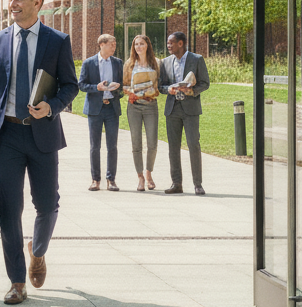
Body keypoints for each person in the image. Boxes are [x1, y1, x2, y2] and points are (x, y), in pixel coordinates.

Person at [0, 0, 78, 305]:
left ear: (37, 3)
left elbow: (70, 85)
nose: (12, 4)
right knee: (9, 210)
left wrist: (52, 106)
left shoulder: (57, 41)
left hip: (43, 133)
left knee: (47, 205)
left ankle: (38, 251)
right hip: (7, 135)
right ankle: (17, 281)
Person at [158, 31, 211, 196]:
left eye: (171, 43)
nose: (168, 46)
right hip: (172, 109)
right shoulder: (165, 62)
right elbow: (161, 86)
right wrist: (169, 89)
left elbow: (205, 83)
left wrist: (192, 91)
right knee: (173, 147)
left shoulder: (197, 59)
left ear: (181, 43)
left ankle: (198, 184)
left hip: (190, 109)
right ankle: (176, 183)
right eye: (168, 43)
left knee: (193, 145)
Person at [78, 34, 124, 192]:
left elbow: (123, 85)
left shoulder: (118, 63)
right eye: (112, 44)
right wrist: (96, 88)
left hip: (112, 108)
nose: (114, 46)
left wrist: (118, 89)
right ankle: (95, 180)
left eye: (115, 43)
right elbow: (82, 85)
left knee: (112, 146)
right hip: (95, 109)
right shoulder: (89, 63)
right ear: (102, 45)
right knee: (94, 146)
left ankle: (111, 179)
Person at [122, 34, 161, 192]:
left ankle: (149, 173)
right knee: (136, 143)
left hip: (151, 105)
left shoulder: (156, 63)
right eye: (136, 44)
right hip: (134, 106)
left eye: (142, 44)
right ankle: (140, 177)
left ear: (147, 45)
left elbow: (160, 85)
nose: (139, 47)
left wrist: (152, 90)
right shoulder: (129, 64)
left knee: (152, 143)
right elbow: (124, 86)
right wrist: (132, 91)